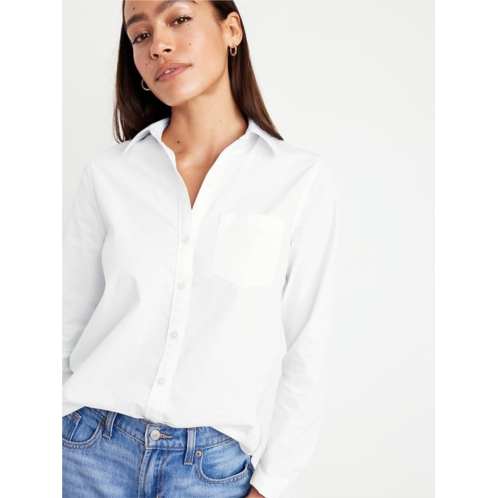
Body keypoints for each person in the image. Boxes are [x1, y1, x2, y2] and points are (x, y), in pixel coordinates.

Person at [62, 0, 339, 497]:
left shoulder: (299, 180)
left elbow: (309, 347)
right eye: (140, 35)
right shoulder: (108, 175)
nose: (158, 45)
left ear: (232, 30)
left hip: (209, 471)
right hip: (86, 452)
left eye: (179, 19)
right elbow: (69, 318)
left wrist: (272, 485)